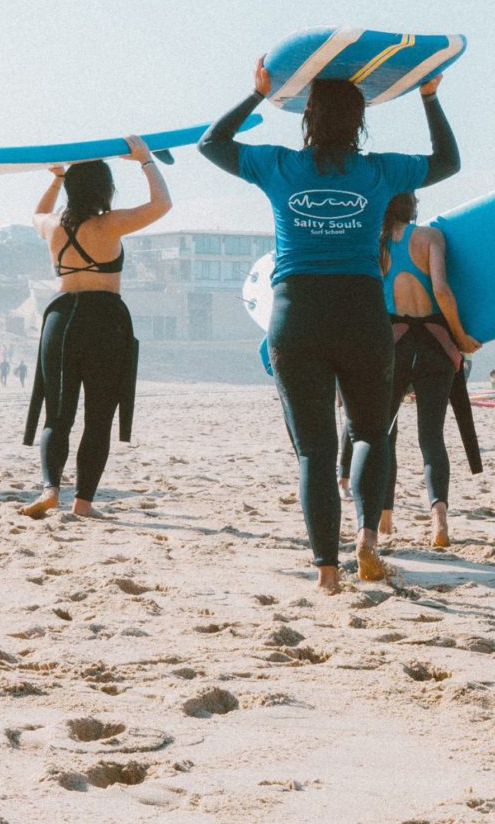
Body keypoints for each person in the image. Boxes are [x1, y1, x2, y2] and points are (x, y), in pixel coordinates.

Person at [199, 60, 461, 593]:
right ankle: (366, 541)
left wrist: (255, 94)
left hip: (296, 314)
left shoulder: (278, 166)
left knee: (315, 451)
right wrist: (429, 97)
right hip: (362, 312)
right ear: (360, 122)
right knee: (370, 431)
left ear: (306, 118)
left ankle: (326, 573)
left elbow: (211, 143)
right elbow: (448, 162)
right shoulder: (379, 172)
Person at [19, 139, 171, 519]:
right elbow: (162, 204)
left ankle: (50, 488)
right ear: (106, 190)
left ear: (72, 189)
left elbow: (36, 214)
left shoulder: (53, 225)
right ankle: (84, 502)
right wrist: (146, 161)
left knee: (57, 415)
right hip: (104, 320)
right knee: (98, 416)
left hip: (60, 319)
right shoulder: (111, 223)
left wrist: (56, 179)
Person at [341, 192, 482, 547]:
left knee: (381, 433)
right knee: (431, 438)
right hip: (436, 347)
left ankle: (381, 519)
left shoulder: (376, 245)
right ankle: (440, 524)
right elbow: (442, 290)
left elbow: (364, 300)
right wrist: (461, 336)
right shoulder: (431, 237)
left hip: (393, 348)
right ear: (413, 207)